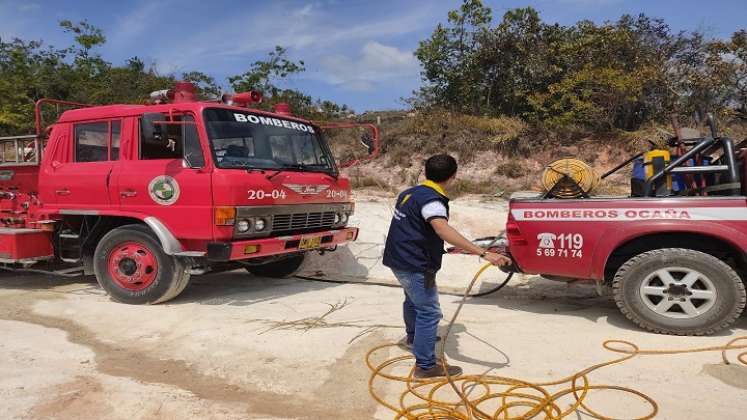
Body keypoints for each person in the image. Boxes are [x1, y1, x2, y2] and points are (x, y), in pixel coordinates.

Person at [382, 154, 512, 378]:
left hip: (398, 258)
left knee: (412, 301)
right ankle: (425, 366)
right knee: (429, 312)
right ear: (453, 176)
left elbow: (414, 226)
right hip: (415, 264)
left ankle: (413, 338)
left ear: (426, 172)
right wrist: (483, 253)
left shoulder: (409, 193)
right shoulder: (432, 201)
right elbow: (442, 229)